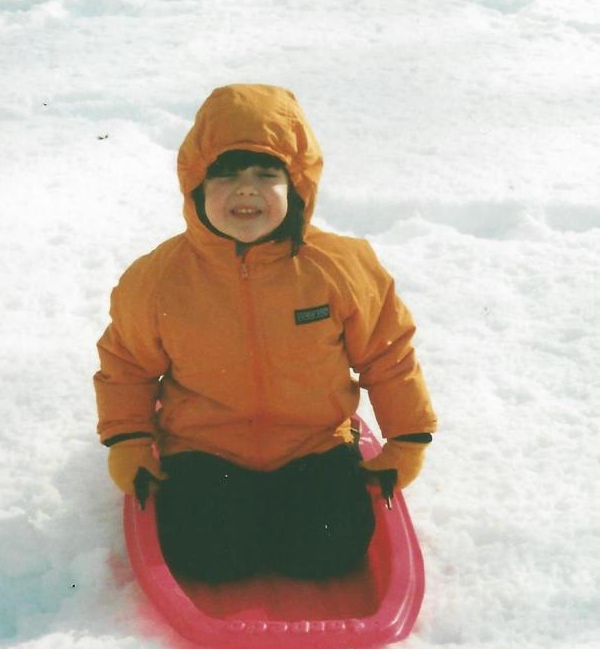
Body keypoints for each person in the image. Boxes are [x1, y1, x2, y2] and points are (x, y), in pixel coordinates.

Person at [94, 84, 437, 583]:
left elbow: (388, 354)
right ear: (196, 185)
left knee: (329, 553)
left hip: (313, 444)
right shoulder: (159, 279)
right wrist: (128, 440)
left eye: (265, 174)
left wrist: (407, 439)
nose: (246, 190)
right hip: (204, 448)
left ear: (296, 184)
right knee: (207, 558)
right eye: (226, 174)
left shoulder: (339, 267)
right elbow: (127, 364)